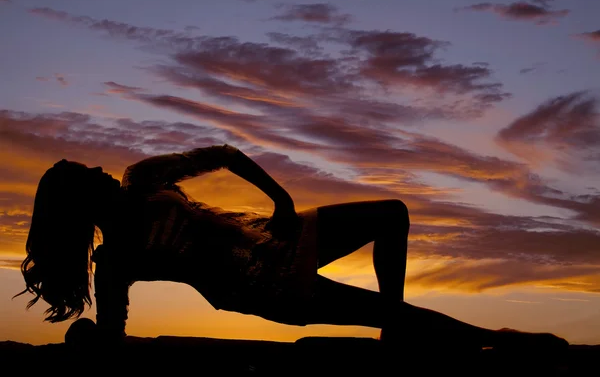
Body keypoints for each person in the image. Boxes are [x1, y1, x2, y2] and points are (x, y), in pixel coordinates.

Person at [17, 144, 568, 350]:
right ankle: (505, 344)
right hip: (266, 287)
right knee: (393, 310)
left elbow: (226, 156)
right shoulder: (115, 260)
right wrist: (86, 337)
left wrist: (280, 200)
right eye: (88, 176)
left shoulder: (144, 179)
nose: (99, 169)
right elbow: (113, 334)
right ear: (78, 205)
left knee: (392, 215)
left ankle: (395, 336)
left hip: (273, 237)